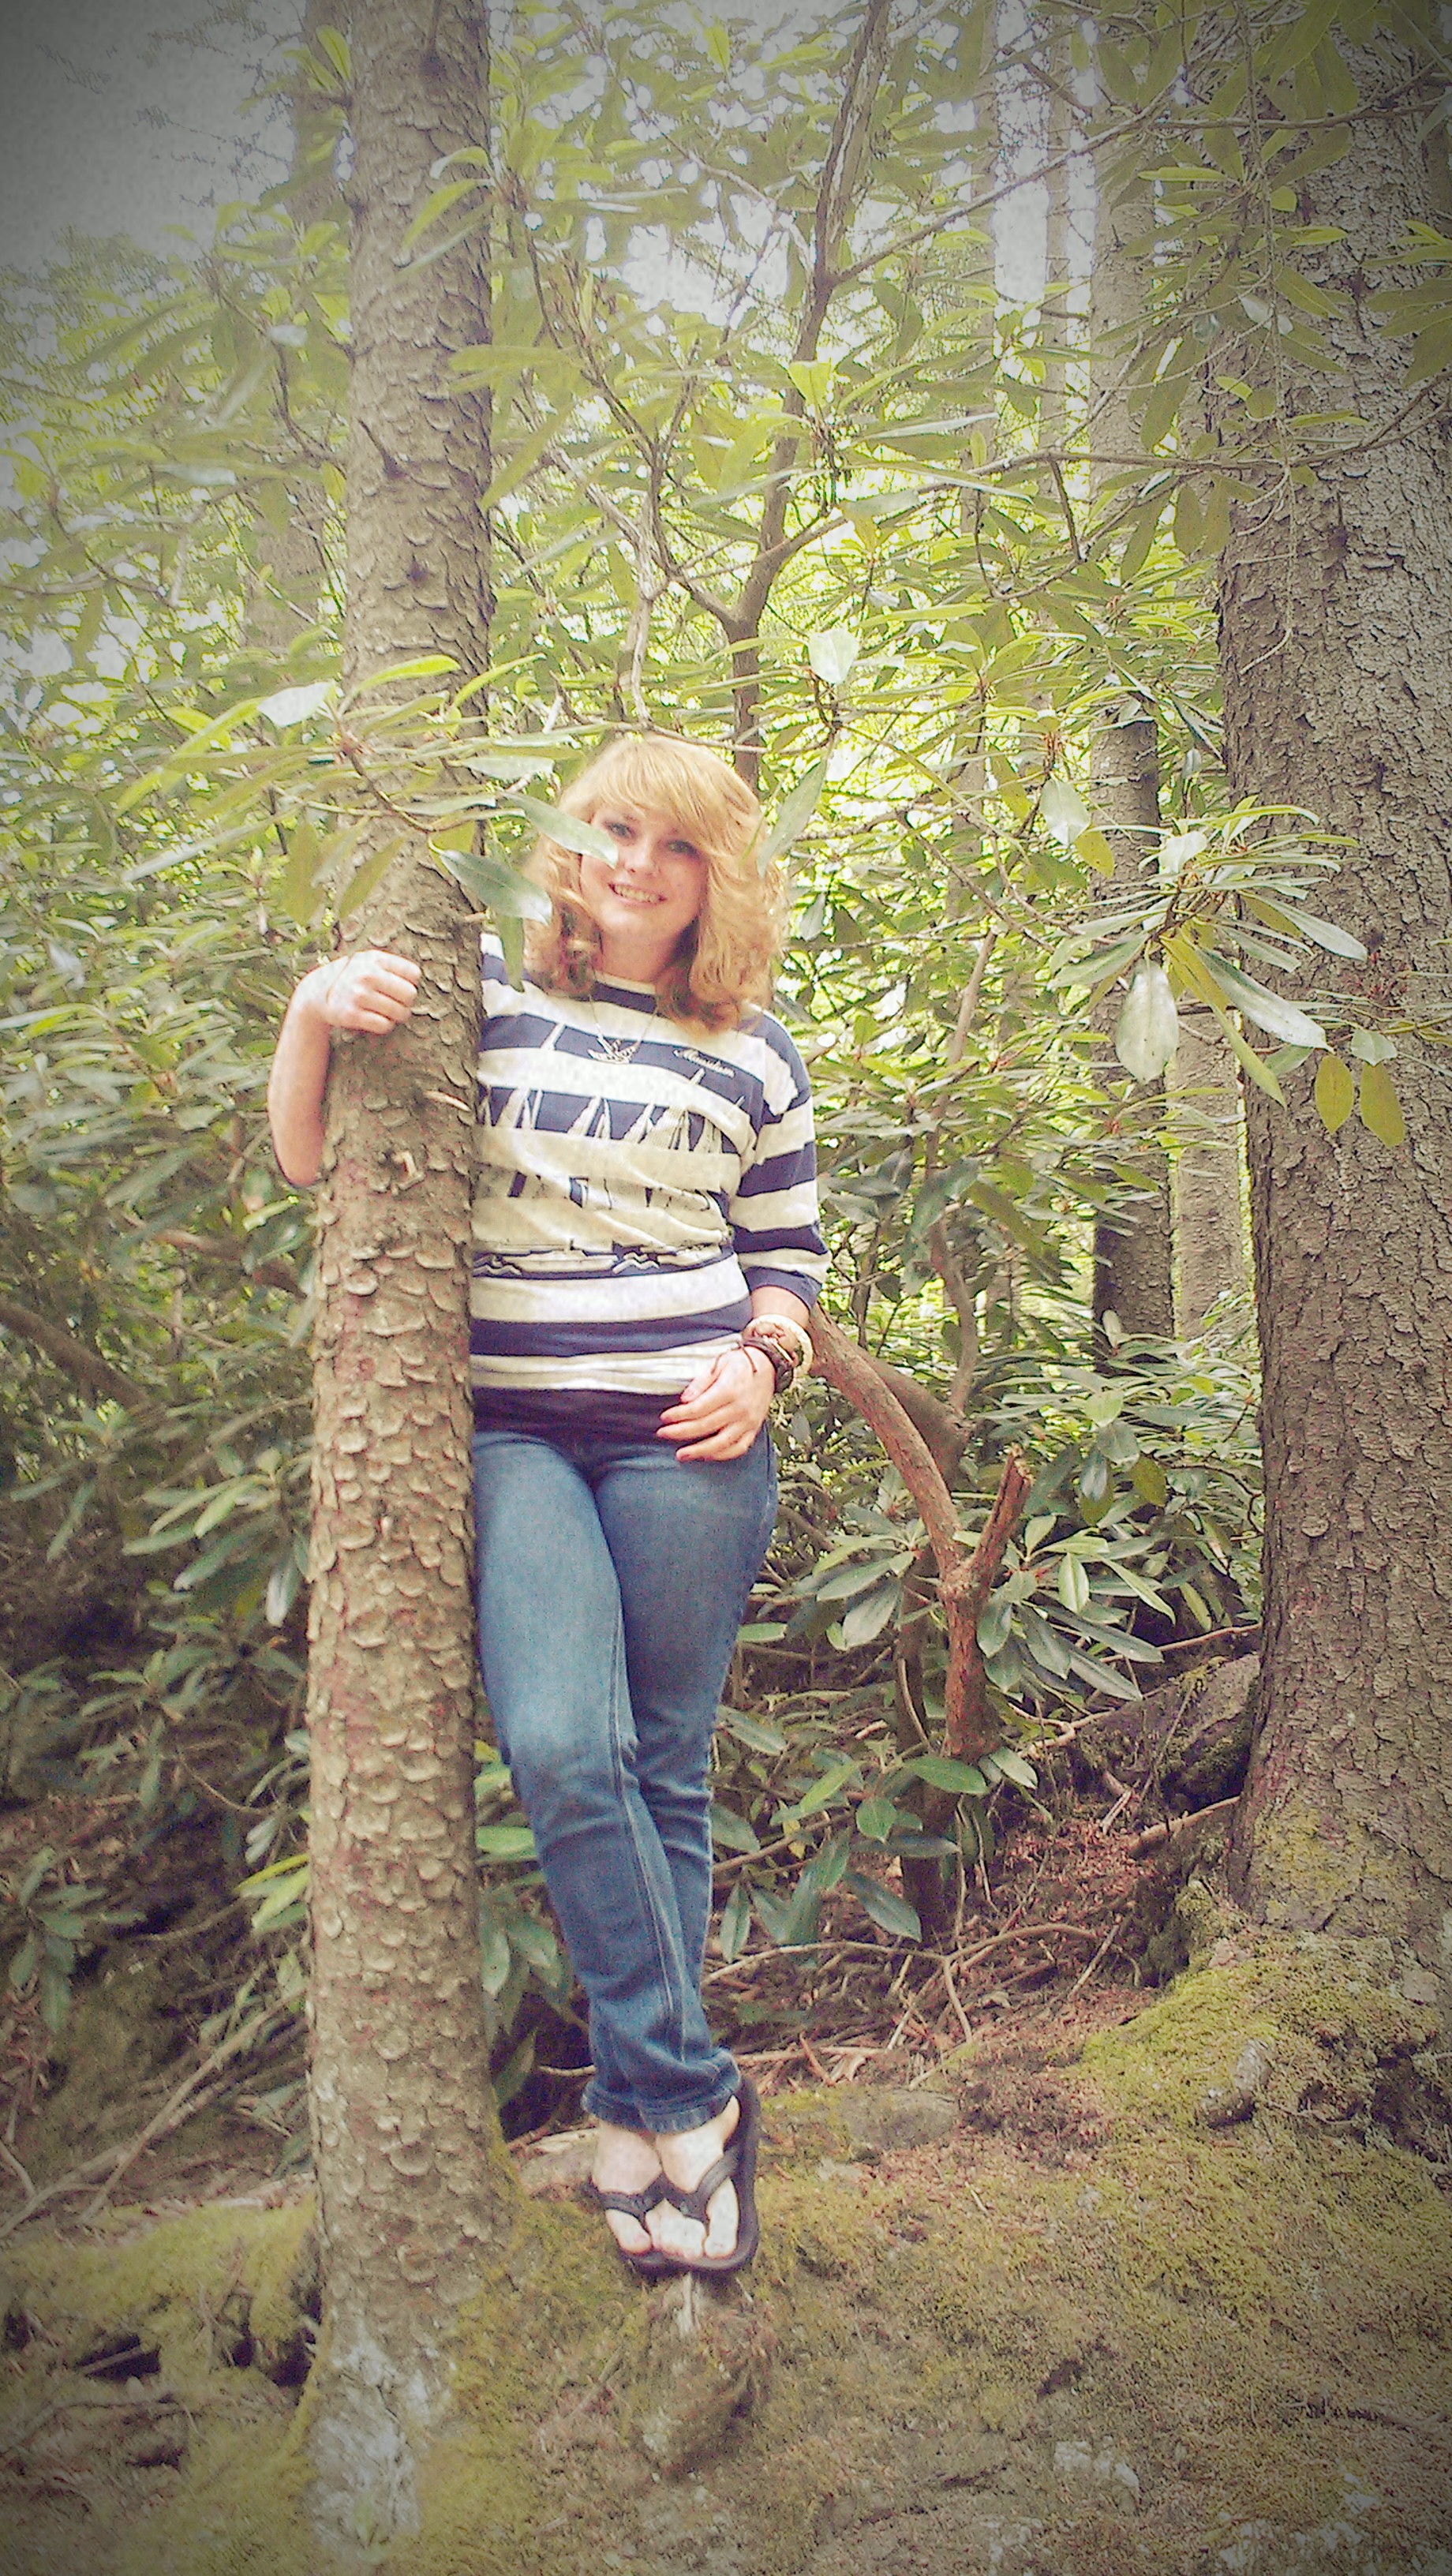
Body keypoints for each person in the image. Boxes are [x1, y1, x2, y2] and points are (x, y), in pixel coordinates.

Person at [268, 732, 826, 2277]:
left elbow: (786, 1257)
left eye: (676, 843)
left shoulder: (756, 1052)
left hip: (690, 1443)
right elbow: (314, 1159)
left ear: (715, 876)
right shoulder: (485, 997)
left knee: (665, 1772)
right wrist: (314, 1010)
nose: (637, 864)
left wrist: (766, 1362)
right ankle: (697, 2094)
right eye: (611, 830)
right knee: (565, 1748)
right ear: (569, 844)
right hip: (511, 1435)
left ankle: (642, 2127)